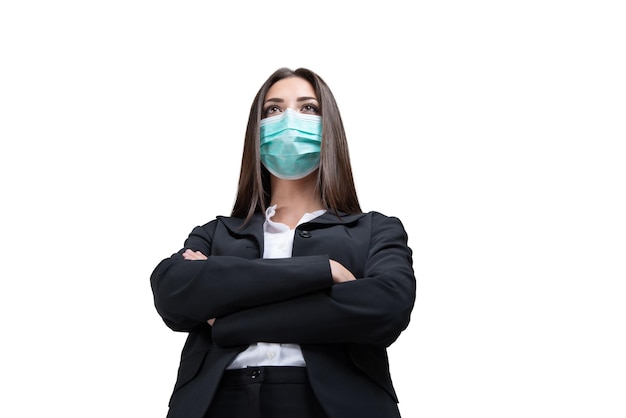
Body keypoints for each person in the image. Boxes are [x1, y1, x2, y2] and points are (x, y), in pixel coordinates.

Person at [150, 67, 416, 418]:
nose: (289, 119)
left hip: (332, 406)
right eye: (273, 109)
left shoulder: (375, 230)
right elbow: (172, 292)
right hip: (217, 403)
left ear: (329, 128)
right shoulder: (217, 232)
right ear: (255, 132)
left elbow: (387, 307)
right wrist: (322, 270)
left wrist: (231, 321)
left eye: (307, 108)